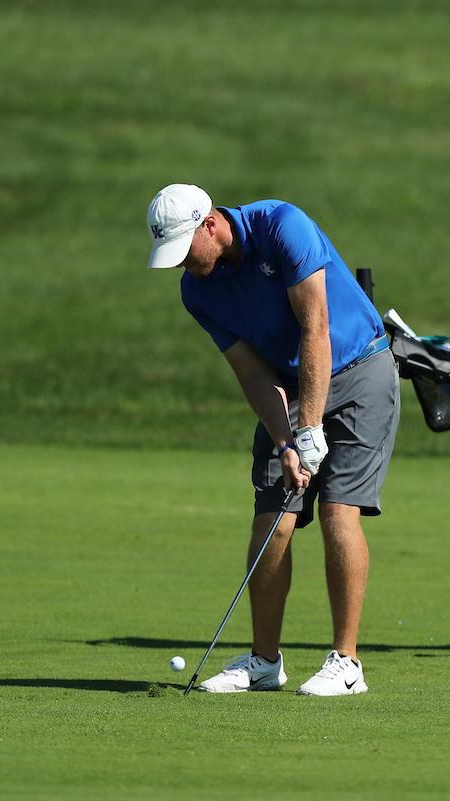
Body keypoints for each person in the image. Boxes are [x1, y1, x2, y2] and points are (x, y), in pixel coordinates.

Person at [144, 184, 400, 696]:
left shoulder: (283, 226)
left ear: (210, 224)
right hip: (288, 388)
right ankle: (264, 662)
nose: (183, 266)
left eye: (185, 251)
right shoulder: (198, 291)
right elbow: (251, 374)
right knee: (273, 523)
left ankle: (346, 663)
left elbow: (316, 327)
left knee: (336, 511)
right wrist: (287, 442)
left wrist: (310, 428)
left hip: (358, 370)